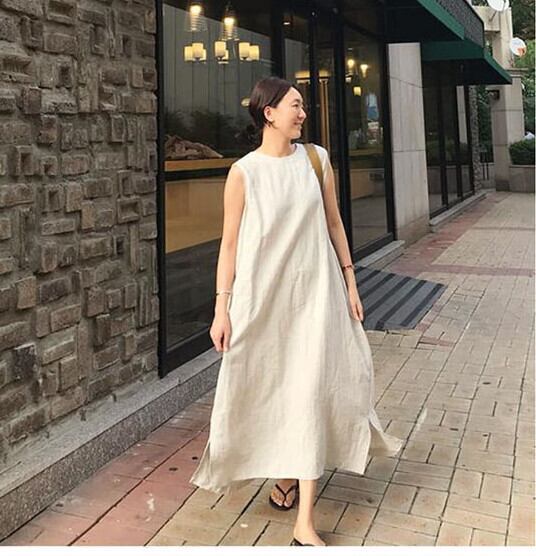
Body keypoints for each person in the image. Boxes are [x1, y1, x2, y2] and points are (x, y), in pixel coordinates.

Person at [189, 76, 403, 547]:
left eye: (302, 105)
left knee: (310, 389)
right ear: (268, 113)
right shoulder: (244, 172)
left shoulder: (316, 159)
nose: (303, 113)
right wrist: (221, 309)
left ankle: (305, 519)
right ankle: (285, 476)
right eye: (295, 105)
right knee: (275, 387)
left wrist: (351, 282)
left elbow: (334, 223)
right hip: (263, 300)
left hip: (316, 294)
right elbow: (229, 246)